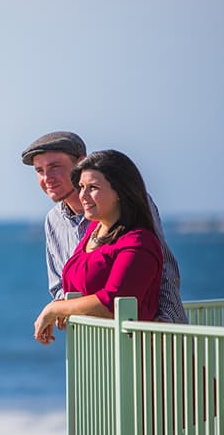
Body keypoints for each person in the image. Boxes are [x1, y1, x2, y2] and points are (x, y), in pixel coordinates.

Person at [21, 131, 187, 325]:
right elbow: (60, 286)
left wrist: (167, 322)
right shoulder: (53, 220)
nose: (47, 178)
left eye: (54, 167)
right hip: (93, 343)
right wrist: (63, 308)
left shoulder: (131, 213)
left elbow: (164, 271)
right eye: (39, 171)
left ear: (81, 162)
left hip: (144, 335)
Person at [33, 149, 164, 343]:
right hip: (101, 356)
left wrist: (54, 309)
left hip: (142, 359)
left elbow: (111, 303)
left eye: (93, 188)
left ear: (120, 191)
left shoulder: (138, 241)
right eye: (81, 186)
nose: (83, 195)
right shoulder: (93, 231)